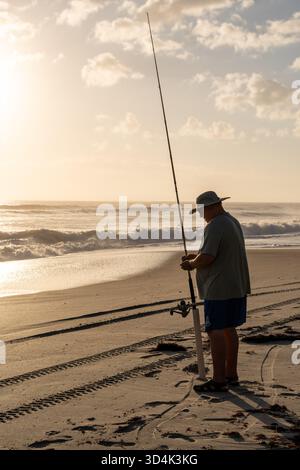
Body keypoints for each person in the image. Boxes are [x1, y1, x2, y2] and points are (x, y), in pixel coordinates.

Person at [181, 191, 251, 392]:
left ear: (214, 206)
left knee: (215, 331)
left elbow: (209, 257)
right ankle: (231, 374)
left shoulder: (215, 225)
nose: (202, 215)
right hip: (235, 284)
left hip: (219, 287)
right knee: (229, 328)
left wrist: (192, 264)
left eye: (203, 210)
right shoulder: (231, 221)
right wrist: (197, 257)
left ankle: (219, 380)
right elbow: (217, 251)